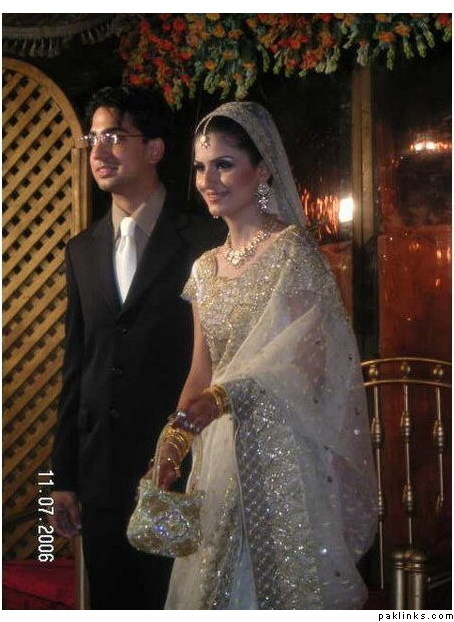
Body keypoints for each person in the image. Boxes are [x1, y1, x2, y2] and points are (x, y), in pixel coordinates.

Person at [147, 101, 378, 609]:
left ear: (264, 168)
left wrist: (224, 397)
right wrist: (174, 439)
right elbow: (201, 371)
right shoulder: (204, 269)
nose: (209, 180)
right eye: (201, 167)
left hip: (284, 455)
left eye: (224, 164)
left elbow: (308, 363)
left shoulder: (293, 253)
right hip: (219, 454)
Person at [50, 85, 204, 609]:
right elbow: (77, 365)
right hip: (100, 477)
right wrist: (63, 478)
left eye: (114, 136)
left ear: (155, 149)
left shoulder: (202, 240)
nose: (99, 150)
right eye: (92, 138)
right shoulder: (82, 250)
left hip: (180, 467)